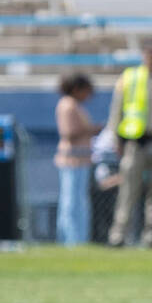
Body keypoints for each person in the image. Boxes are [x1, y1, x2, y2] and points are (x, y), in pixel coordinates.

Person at [106, 42, 152, 247]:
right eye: (150, 53)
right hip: (136, 142)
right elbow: (117, 111)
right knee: (128, 190)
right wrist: (116, 139)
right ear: (143, 55)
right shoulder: (129, 78)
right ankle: (119, 234)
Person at [55, 73, 102, 245]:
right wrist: (92, 130)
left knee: (76, 202)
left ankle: (75, 239)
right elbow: (68, 133)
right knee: (72, 203)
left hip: (80, 160)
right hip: (72, 160)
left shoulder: (73, 105)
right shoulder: (68, 105)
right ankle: (72, 240)